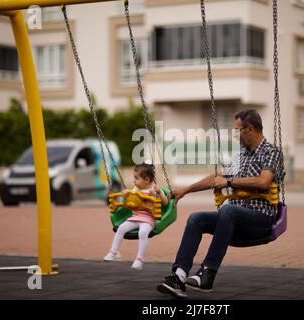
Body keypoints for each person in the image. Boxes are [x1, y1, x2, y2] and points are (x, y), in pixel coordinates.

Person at [156, 109, 285, 298]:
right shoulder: (241, 155)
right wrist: (185, 190)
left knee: (228, 210)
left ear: (249, 129)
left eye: (237, 130)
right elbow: (218, 177)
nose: (235, 135)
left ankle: (208, 272)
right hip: (233, 218)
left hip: (261, 220)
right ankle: (179, 277)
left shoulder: (271, 152)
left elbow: (263, 181)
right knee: (196, 219)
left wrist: (231, 182)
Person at [104, 163, 170, 270]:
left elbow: (165, 202)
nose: (134, 180)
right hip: (135, 217)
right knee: (121, 228)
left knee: (143, 232)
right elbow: (130, 199)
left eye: (136, 178)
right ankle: (114, 252)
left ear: (147, 180)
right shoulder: (136, 188)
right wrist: (125, 194)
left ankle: (139, 259)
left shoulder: (154, 189)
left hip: (148, 219)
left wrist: (158, 193)